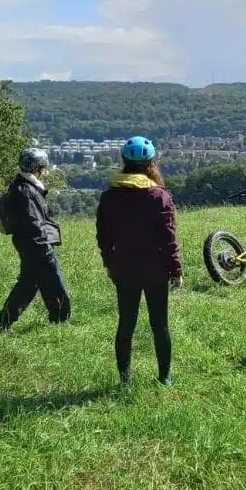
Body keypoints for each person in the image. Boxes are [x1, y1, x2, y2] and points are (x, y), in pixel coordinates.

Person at [95, 136, 183, 387]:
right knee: (160, 326)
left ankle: (125, 379)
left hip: (124, 269)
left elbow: (104, 237)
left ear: (123, 162)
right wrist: (175, 270)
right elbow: (169, 238)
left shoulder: (109, 196)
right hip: (155, 269)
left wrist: (109, 263)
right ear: (150, 164)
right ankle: (164, 377)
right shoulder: (159, 196)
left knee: (126, 325)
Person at [0, 147, 71, 331]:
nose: (44, 171)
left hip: (28, 245)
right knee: (55, 287)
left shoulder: (21, 187)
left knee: (29, 286)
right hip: (37, 248)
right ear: (37, 168)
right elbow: (34, 224)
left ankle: (4, 323)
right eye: (43, 167)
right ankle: (59, 324)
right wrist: (46, 251)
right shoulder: (27, 191)